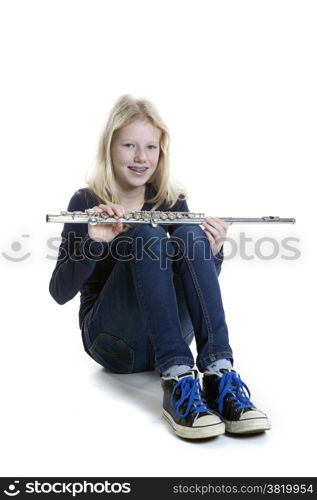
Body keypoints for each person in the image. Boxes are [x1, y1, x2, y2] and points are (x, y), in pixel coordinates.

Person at [49, 94, 271, 439]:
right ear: (110, 148)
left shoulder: (171, 199)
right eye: (129, 146)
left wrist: (211, 251)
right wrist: (93, 242)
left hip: (169, 339)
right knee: (148, 235)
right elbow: (59, 293)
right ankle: (177, 379)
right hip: (112, 342)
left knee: (188, 232)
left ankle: (218, 373)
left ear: (161, 152)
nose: (141, 158)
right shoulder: (86, 201)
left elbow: (195, 284)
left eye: (151, 147)